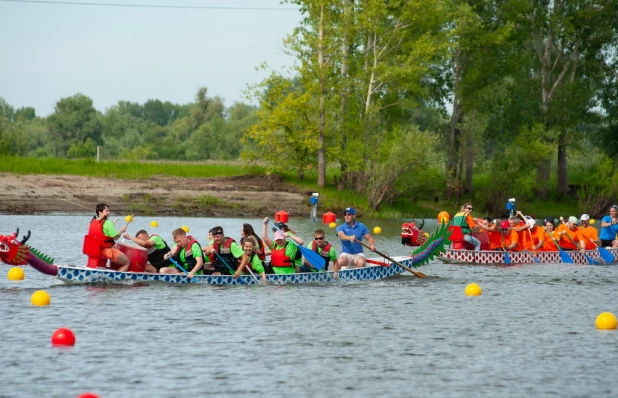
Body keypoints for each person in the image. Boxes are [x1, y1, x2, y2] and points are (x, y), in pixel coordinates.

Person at [85, 203, 130, 272]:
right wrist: (121, 230)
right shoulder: (108, 223)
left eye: (109, 211)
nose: (109, 212)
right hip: (106, 251)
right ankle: (118, 280)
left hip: (94, 251)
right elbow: (115, 237)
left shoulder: (92, 221)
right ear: (100, 212)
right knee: (126, 262)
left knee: (100, 267)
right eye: (106, 211)